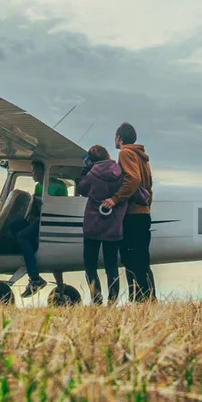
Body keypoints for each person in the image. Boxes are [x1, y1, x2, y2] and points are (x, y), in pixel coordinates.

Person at [102, 122, 155, 302]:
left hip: (132, 215)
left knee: (130, 258)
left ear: (119, 138)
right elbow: (149, 188)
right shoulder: (142, 157)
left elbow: (133, 179)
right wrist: (146, 207)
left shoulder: (125, 153)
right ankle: (148, 298)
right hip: (143, 214)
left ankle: (140, 299)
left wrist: (115, 199)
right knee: (142, 259)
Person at [76, 145, 125, 305]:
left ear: (92, 160)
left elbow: (82, 189)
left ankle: (96, 298)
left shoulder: (91, 174)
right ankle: (113, 300)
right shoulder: (120, 172)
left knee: (90, 265)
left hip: (93, 226)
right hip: (113, 226)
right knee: (111, 266)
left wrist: (86, 169)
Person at [12, 160, 68, 297]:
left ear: (44, 171)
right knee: (14, 224)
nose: (33, 174)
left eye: (35, 171)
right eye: (32, 171)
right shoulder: (38, 187)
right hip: (38, 219)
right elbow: (36, 207)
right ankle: (30, 252)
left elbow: (62, 206)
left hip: (51, 221)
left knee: (22, 236)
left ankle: (35, 278)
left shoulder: (59, 186)